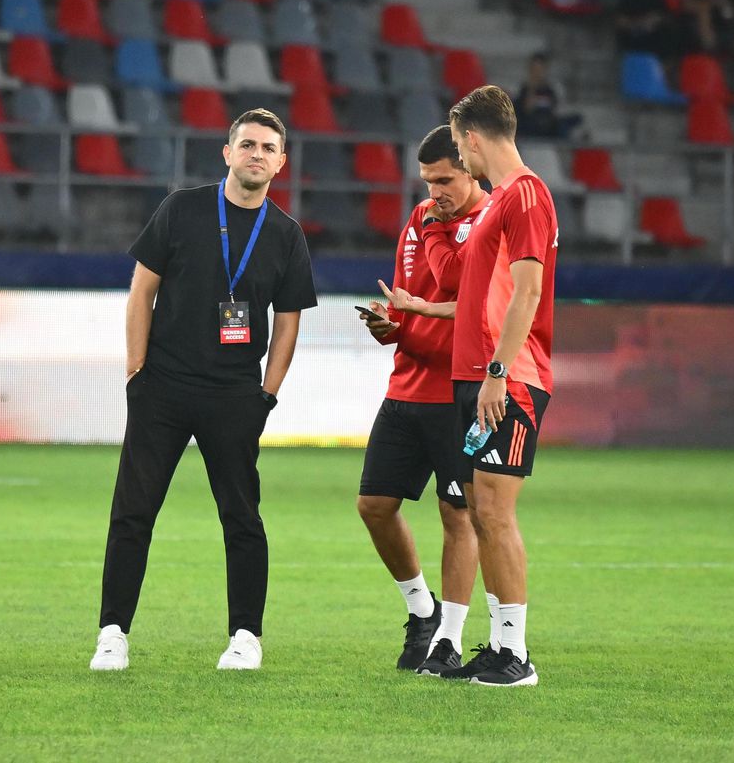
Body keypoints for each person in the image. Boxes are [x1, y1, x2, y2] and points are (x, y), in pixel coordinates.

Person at [89, 109, 317, 672]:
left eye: (268, 147)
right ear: (227, 152)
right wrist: (136, 372)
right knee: (133, 512)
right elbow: (141, 292)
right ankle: (112, 634)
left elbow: (288, 322)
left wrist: (266, 393)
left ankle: (246, 636)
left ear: (281, 162)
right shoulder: (183, 208)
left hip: (235, 393)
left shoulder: (286, 234)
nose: (256, 154)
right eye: (247, 144)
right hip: (162, 385)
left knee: (242, 517)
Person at [382, 85, 558, 687]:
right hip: (479, 377)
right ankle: (501, 646)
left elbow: (528, 292)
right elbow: (479, 297)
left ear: (474, 139)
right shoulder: (509, 198)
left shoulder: (527, 195)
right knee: (482, 512)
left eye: (459, 145)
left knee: (495, 514)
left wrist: (498, 373)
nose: (462, 156)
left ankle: (517, 653)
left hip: (512, 378)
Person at [356, 125, 488, 675]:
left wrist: (437, 232)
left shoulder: (489, 221)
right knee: (374, 506)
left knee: (457, 514)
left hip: (460, 391)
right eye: (428, 181)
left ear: (473, 171)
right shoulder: (421, 218)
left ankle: (450, 640)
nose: (435, 192)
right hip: (407, 384)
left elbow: (466, 295)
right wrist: (391, 326)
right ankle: (422, 609)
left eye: (446, 180)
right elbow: (411, 297)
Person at [513, 53, 583, 140]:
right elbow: (527, 109)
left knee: (572, 120)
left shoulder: (551, 90)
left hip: (548, 124)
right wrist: (532, 87)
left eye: (540, 69)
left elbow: (555, 110)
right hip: (531, 125)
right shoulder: (524, 89)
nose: (537, 73)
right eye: (535, 69)